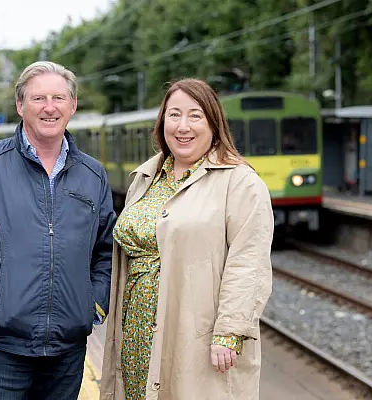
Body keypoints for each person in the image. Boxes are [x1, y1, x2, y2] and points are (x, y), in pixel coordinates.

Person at [0, 61, 116, 399]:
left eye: (59, 98)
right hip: (1, 346)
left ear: (73, 105)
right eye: (38, 98)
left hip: (68, 349)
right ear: (20, 106)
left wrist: (94, 304)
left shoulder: (93, 175)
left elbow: (106, 250)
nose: (50, 107)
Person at [100, 78, 274, 400]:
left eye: (195, 116)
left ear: (213, 124)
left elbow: (249, 261)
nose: (183, 126)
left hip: (194, 334)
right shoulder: (146, 178)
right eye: (174, 115)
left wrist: (229, 332)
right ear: (162, 122)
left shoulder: (240, 183)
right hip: (136, 332)